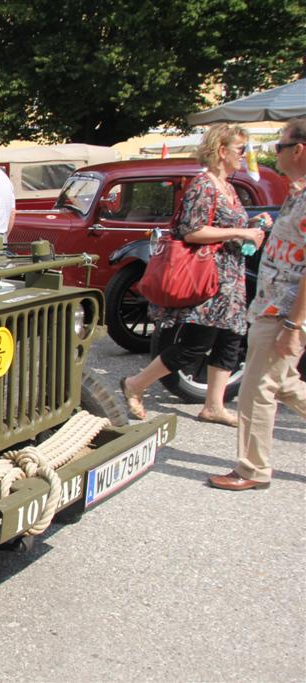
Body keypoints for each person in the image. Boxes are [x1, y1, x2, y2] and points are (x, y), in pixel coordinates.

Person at [119, 124, 266, 425]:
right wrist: (242, 230)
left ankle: (213, 405)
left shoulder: (228, 187)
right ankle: (135, 384)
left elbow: (222, 225)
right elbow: (191, 230)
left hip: (230, 280)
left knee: (230, 341)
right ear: (222, 151)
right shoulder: (204, 185)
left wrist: (253, 222)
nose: (244, 155)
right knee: (194, 345)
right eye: (240, 149)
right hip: (209, 280)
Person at [208, 118, 306, 491]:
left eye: (279, 146)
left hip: (284, 313)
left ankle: (252, 469)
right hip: (273, 307)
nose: (273, 153)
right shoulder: (298, 191)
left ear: (299, 149)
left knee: (258, 388)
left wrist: (295, 325)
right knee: (284, 384)